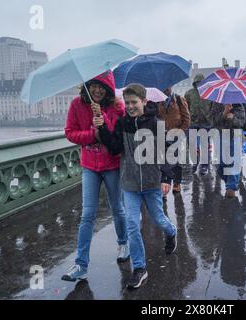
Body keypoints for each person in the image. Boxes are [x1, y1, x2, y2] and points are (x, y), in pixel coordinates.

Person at [97, 84, 177, 289]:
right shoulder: (123, 123)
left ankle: (171, 232)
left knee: (160, 219)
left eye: (134, 102)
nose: (131, 106)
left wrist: (166, 178)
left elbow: (167, 152)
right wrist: (102, 128)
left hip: (151, 182)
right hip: (130, 183)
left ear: (144, 102)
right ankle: (140, 269)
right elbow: (115, 148)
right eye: (128, 103)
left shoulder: (155, 123)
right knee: (132, 224)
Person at [62, 71, 128, 282]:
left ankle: (123, 243)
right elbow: (70, 132)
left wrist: (103, 117)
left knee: (117, 208)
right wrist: (92, 134)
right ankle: (81, 264)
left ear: (108, 89)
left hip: (111, 164)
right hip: (89, 165)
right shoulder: (76, 104)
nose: (97, 90)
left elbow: (118, 136)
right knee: (87, 214)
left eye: (102, 87)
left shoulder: (117, 107)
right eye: (94, 86)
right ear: (87, 86)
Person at [157, 87, 191, 194]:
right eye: (164, 86)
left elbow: (186, 118)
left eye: (167, 86)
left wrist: (181, 131)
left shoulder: (179, 99)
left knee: (176, 160)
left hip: (176, 134)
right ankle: (165, 184)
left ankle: (177, 182)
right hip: (162, 134)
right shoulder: (158, 100)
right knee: (163, 160)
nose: (165, 89)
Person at [211, 102, 246, 198]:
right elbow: (214, 121)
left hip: (234, 136)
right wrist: (224, 112)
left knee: (233, 161)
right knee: (222, 163)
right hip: (221, 135)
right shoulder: (216, 104)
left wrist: (233, 118)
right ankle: (228, 179)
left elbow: (242, 122)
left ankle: (231, 187)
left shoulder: (238, 105)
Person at [185, 74, 213, 176]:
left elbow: (212, 109)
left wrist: (212, 121)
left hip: (206, 124)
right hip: (192, 124)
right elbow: (185, 108)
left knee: (205, 146)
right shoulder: (189, 94)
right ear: (195, 83)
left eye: (201, 83)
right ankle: (195, 164)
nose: (199, 85)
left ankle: (204, 166)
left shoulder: (209, 94)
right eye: (197, 83)